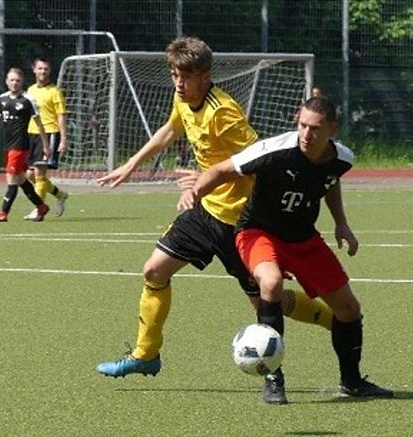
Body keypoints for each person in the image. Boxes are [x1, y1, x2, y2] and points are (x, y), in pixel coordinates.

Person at [93, 36, 335, 399]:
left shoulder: (225, 113)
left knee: (269, 301)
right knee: (153, 271)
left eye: (186, 76)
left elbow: (259, 162)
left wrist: (209, 177)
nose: (178, 83)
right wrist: (130, 165)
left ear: (205, 76)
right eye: (174, 74)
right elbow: (169, 131)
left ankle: (322, 330)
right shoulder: (182, 98)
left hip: (241, 222)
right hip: (205, 211)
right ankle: (146, 354)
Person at [180, 96, 394, 404]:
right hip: (257, 232)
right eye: (303, 126)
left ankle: (352, 382)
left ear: (332, 129)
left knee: (348, 309)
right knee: (271, 283)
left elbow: (329, 182)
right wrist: (195, 191)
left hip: (303, 238)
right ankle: (273, 377)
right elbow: (224, 170)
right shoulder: (274, 150)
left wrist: (341, 224)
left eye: (316, 129)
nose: (307, 134)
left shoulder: (342, 158)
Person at [0, 67, 51, 222]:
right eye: (11, 80)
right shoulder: (2, 99)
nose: (14, 83)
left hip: (20, 145)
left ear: (22, 82)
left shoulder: (28, 100)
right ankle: (41, 207)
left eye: (17, 80)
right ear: (6, 81)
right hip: (7, 144)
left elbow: (39, 124)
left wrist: (46, 145)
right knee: (21, 179)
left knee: (11, 179)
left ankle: (3, 213)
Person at [23, 57, 69, 220]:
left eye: (46, 69)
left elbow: (61, 116)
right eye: (40, 68)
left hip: (49, 133)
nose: (43, 71)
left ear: (50, 71)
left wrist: (63, 139)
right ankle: (60, 195)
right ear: (34, 70)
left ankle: (39, 210)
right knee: (29, 176)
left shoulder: (55, 91)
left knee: (40, 174)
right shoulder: (30, 91)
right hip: (31, 135)